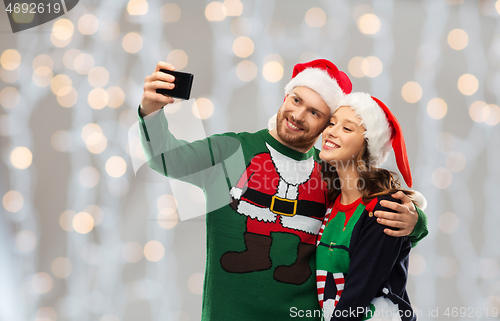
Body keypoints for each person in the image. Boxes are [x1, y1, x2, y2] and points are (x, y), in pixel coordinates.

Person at [138, 59, 428, 320]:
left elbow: (369, 221)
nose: (298, 115)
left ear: (325, 126)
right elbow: (167, 158)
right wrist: (150, 112)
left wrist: (416, 221)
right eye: (296, 100)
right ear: (286, 96)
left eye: (314, 112)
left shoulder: (330, 173)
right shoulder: (231, 150)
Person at [316, 92, 421, 321]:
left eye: (347, 128)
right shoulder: (330, 202)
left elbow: (358, 295)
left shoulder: (384, 209)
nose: (331, 131)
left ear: (367, 146)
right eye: (332, 123)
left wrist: (418, 220)